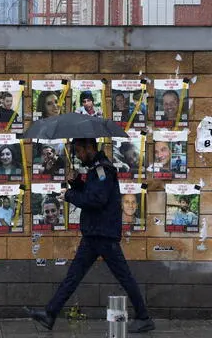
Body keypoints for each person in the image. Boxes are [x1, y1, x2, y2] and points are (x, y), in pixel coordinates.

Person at [26, 138, 154, 334]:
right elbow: (92, 193)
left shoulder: (104, 170)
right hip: (94, 234)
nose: (77, 155)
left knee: (124, 276)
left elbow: (97, 200)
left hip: (103, 235)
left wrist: (70, 195)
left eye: (79, 151)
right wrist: (77, 183)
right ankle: (50, 314)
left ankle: (144, 317)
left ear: (90, 148)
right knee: (73, 276)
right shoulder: (96, 169)